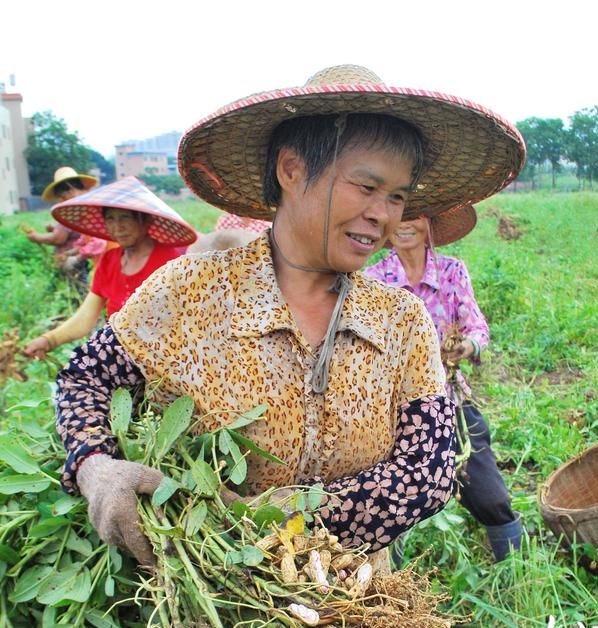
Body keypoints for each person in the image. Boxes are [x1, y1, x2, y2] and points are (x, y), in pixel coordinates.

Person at [53, 64, 525, 568]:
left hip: (352, 594)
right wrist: (95, 464)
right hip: (211, 588)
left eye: (397, 196)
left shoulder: (399, 318)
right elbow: (86, 379)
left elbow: (427, 472)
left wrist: (285, 515)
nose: (383, 214)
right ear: (292, 170)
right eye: (366, 187)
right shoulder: (190, 292)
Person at [364, 205, 523, 562]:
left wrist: (468, 345)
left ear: (430, 221)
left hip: (450, 398)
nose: (406, 224)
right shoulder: (374, 280)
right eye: (398, 215)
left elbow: (478, 328)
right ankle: (392, 580)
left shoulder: (452, 271)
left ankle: (517, 571)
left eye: (416, 215)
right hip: (395, 411)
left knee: (489, 495)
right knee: (393, 502)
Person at [23, 176, 196, 359]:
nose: (117, 227)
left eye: (125, 218)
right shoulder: (108, 261)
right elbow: (86, 317)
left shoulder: (170, 261)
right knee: (77, 375)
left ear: (145, 221)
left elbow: (187, 320)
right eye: (110, 219)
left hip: (165, 354)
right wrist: (49, 340)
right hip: (122, 352)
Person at [25, 167, 107, 284]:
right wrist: (70, 253)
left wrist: (35, 237)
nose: (60, 199)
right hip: (84, 259)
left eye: (61, 194)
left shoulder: (78, 210)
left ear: (71, 190)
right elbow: (82, 238)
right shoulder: (79, 208)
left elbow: (59, 238)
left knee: (84, 289)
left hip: (96, 261)